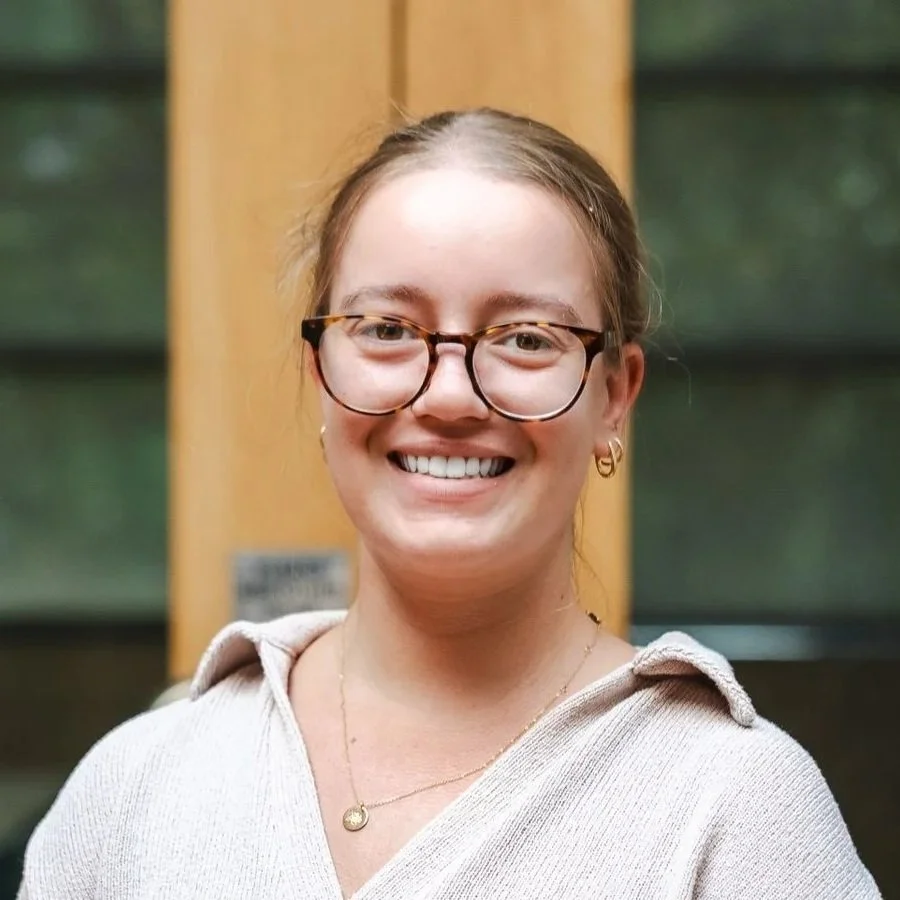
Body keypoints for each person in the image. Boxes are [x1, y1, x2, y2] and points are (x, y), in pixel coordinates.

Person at [17, 108, 881, 899]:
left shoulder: (733, 812)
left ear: (615, 394)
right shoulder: (137, 787)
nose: (451, 396)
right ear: (320, 371)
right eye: (388, 329)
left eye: (526, 338)